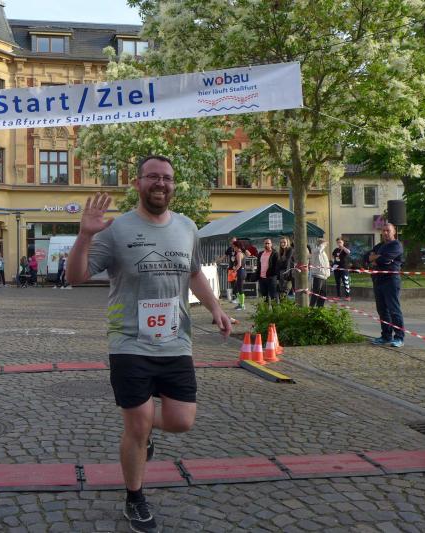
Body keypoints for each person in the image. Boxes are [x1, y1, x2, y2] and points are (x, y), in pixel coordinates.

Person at [66, 155, 231, 533]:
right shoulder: (117, 229)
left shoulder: (187, 227)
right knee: (137, 427)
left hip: (176, 341)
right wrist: (85, 235)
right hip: (129, 341)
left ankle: (142, 429)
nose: (161, 183)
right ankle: (135, 497)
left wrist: (216, 309)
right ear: (138, 183)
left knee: (182, 420)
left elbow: (194, 274)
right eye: (153, 177)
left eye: (167, 178)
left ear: (173, 185)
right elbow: (75, 276)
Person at [368, 223, 404, 347]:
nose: (385, 233)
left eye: (388, 230)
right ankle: (386, 336)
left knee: (394, 310)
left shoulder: (396, 245)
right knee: (382, 310)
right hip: (378, 280)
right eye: (383, 231)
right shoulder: (379, 246)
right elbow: (366, 257)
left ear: (394, 232)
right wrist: (375, 258)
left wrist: (375, 258)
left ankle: (399, 337)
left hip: (391, 281)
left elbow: (384, 259)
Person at [309, 238, 330, 307]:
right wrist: (322, 244)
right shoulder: (315, 250)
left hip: (324, 276)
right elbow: (319, 250)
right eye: (325, 244)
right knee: (316, 293)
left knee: (323, 294)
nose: (326, 246)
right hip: (318, 275)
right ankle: (311, 308)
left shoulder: (323, 252)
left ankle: (320, 309)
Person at [258, 238, 279, 303]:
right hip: (262, 277)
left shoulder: (275, 253)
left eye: (268, 243)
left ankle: (275, 309)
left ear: (271, 244)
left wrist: (273, 274)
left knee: (273, 296)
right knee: (264, 296)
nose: (267, 245)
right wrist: (257, 275)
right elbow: (258, 265)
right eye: (265, 243)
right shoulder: (261, 253)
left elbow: (277, 266)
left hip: (271, 277)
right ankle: (266, 309)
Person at [231, 240, 247, 310]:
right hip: (242, 271)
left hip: (241, 272)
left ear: (237, 247)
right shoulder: (242, 253)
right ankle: (240, 303)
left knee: (240, 288)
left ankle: (242, 305)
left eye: (234, 247)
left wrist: (234, 270)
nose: (233, 248)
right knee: (237, 288)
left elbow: (239, 264)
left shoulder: (239, 254)